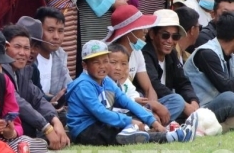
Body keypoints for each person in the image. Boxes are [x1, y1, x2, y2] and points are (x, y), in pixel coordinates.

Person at [66, 40, 196, 145]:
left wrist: (152, 121)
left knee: (133, 119)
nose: (102, 66)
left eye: (105, 61)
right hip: (85, 128)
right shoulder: (83, 85)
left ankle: (161, 132)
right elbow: (100, 112)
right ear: (85, 65)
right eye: (96, 62)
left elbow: (127, 102)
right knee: (116, 133)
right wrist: (129, 121)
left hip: (102, 122)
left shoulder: (107, 81)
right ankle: (168, 137)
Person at [1, 23, 69, 149]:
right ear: (5, 47)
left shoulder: (24, 70)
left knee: (59, 117)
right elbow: (19, 103)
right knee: (29, 125)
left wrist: (55, 120)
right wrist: (47, 128)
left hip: (19, 122)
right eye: (17, 47)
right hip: (5, 123)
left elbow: (37, 98)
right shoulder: (0, 70)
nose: (23, 53)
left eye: (26, 48)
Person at [103, 4, 171, 124]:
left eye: (123, 64)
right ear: (130, 32)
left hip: (136, 101)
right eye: (141, 27)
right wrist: (149, 109)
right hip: (116, 106)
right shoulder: (107, 53)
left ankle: (150, 121)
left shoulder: (137, 52)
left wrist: (153, 110)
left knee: (175, 100)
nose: (145, 31)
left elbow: (148, 88)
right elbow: (113, 99)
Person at [142, 9, 200, 122]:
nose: (170, 41)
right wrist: (185, 105)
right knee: (178, 101)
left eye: (175, 37)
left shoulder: (172, 54)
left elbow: (183, 82)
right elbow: (154, 84)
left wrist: (193, 101)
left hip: (170, 106)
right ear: (152, 34)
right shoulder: (145, 54)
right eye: (165, 35)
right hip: (150, 107)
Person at [22, 10, 71, 100]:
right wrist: (49, 99)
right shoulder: (26, 58)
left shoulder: (60, 55)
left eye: (60, 31)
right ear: (39, 31)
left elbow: (68, 86)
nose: (56, 36)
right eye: (50, 30)